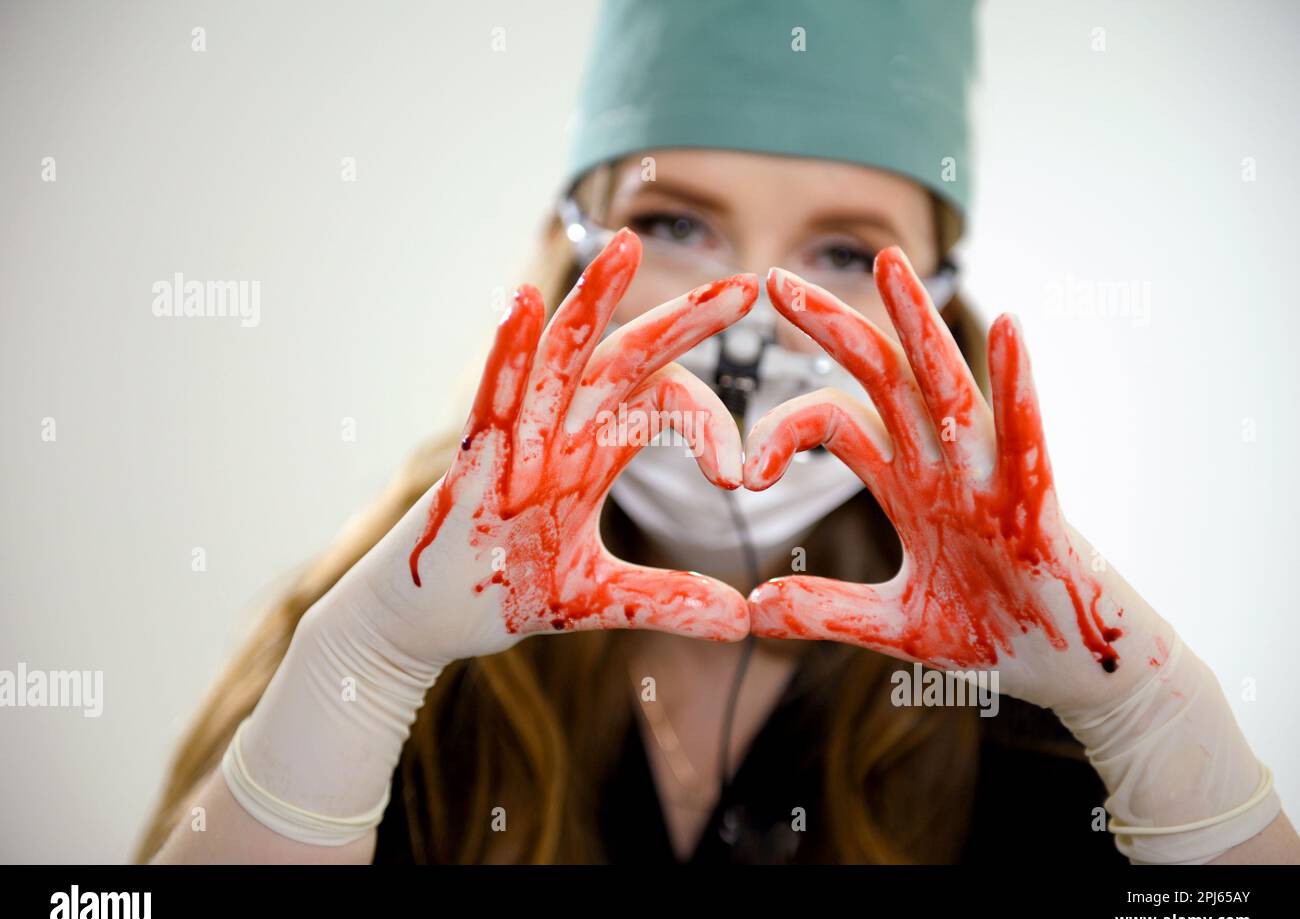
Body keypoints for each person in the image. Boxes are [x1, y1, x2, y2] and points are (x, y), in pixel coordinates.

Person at [138, 0, 1298, 865]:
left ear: (932, 306)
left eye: (844, 252)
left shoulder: (1044, 716)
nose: (747, 310)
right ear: (575, 249)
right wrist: (364, 669)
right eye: (676, 222)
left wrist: (1156, 729)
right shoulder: (378, 638)